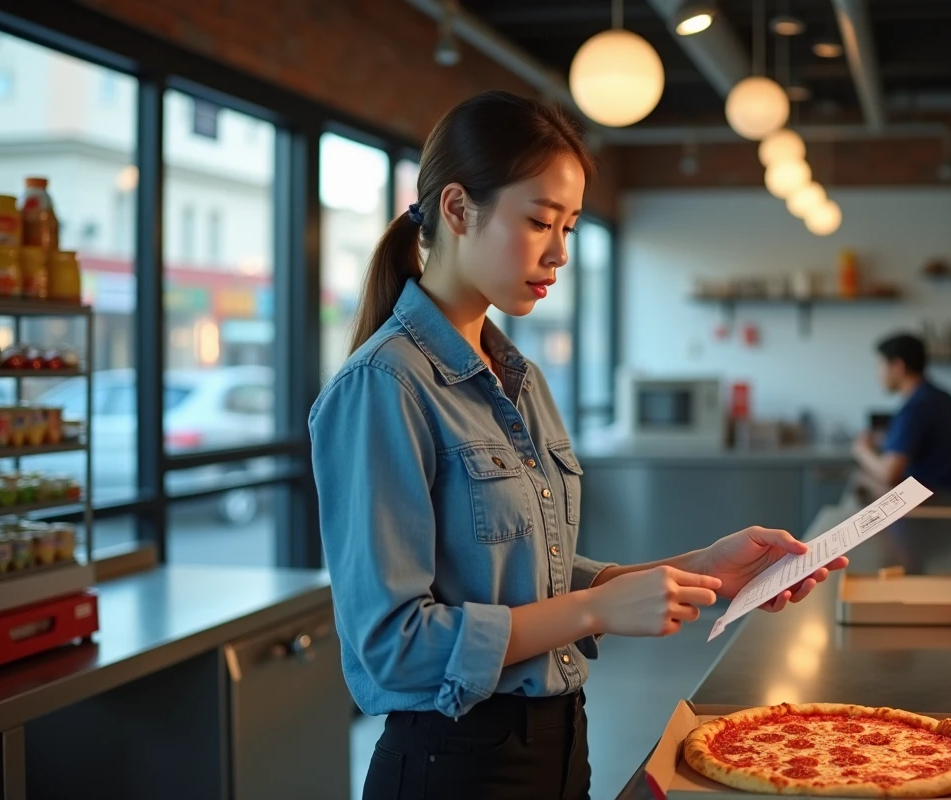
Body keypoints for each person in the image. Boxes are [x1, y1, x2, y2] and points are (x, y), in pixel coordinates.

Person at [309, 91, 848, 800]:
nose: (560, 253)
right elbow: (392, 651)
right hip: (455, 767)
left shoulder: (516, 376)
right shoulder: (384, 385)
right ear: (457, 209)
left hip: (560, 747)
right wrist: (595, 613)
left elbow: (528, 575)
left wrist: (706, 572)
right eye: (539, 221)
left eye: (569, 226)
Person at [852, 333, 951, 500]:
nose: (877, 374)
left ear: (898, 366)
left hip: (933, 508)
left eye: (880, 365)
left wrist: (861, 449)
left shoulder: (916, 407)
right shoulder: (940, 397)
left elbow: (889, 473)